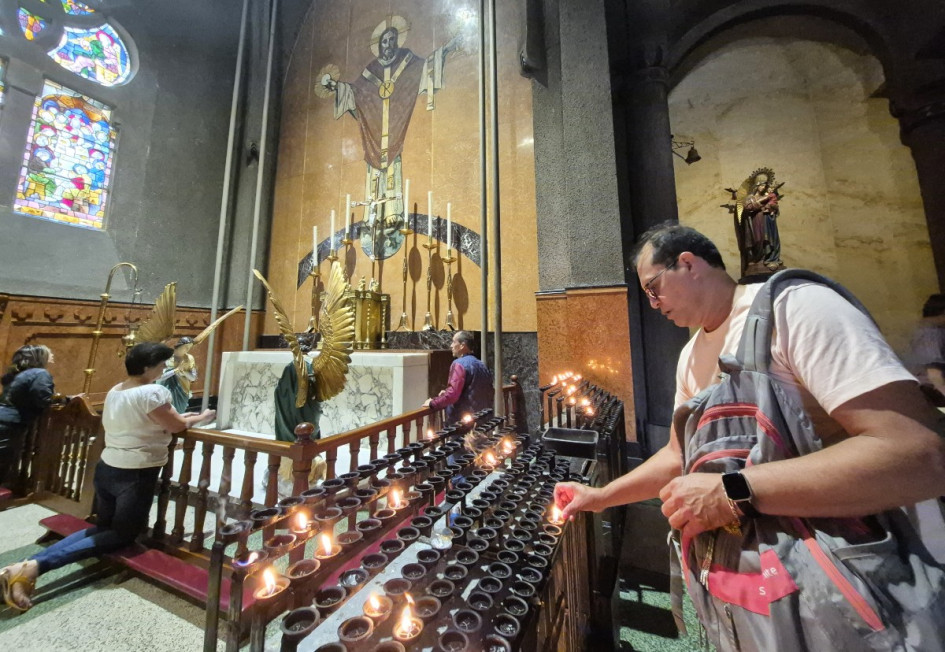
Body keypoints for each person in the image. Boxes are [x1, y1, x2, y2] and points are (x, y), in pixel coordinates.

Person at [554, 224, 945, 645]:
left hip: (842, 589)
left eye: (654, 288)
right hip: (747, 595)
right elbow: (675, 455)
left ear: (688, 263)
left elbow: (917, 453)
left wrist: (732, 492)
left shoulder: (796, 309)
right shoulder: (689, 357)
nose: (652, 304)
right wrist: (599, 497)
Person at [0, 342, 214, 612]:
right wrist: (200, 417)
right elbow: (175, 425)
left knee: (104, 528)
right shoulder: (154, 391)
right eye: (160, 365)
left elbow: (145, 418)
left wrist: (179, 417)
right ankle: (33, 567)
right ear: (147, 367)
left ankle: (27, 565)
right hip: (135, 471)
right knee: (123, 535)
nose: (163, 370)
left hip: (108, 466)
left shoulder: (115, 390)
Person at [319, 17, 459, 259]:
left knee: (393, 170)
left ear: (398, 41)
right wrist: (336, 87)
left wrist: (444, 52)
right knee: (374, 178)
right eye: (384, 41)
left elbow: (425, 68)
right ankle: (372, 219)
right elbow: (356, 92)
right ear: (379, 44)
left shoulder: (408, 61)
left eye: (392, 39)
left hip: (393, 136)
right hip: (374, 139)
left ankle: (393, 214)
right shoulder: (371, 70)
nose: (388, 44)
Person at [0, 345, 56, 487]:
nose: (52, 355)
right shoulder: (40, 373)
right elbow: (42, 399)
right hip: (11, 423)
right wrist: (64, 400)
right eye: (49, 353)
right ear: (40, 357)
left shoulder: (17, 372)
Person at [423, 330, 493, 424]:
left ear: (462, 345)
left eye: (454, 342)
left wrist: (432, 403)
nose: (451, 345)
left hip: (462, 422)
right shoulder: (481, 364)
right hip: (483, 419)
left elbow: (453, 395)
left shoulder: (458, 364)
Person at [157, 336, 197, 414]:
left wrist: (184, 372)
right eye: (186, 347)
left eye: (189, 347)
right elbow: (160, 377)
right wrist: (175, 370)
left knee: (180, 412)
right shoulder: (168, 357)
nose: (187, 349)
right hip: (167, 389)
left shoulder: (190, 358)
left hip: (183, 389)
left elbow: (193, 378)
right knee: (169, 412)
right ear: (179, 345)